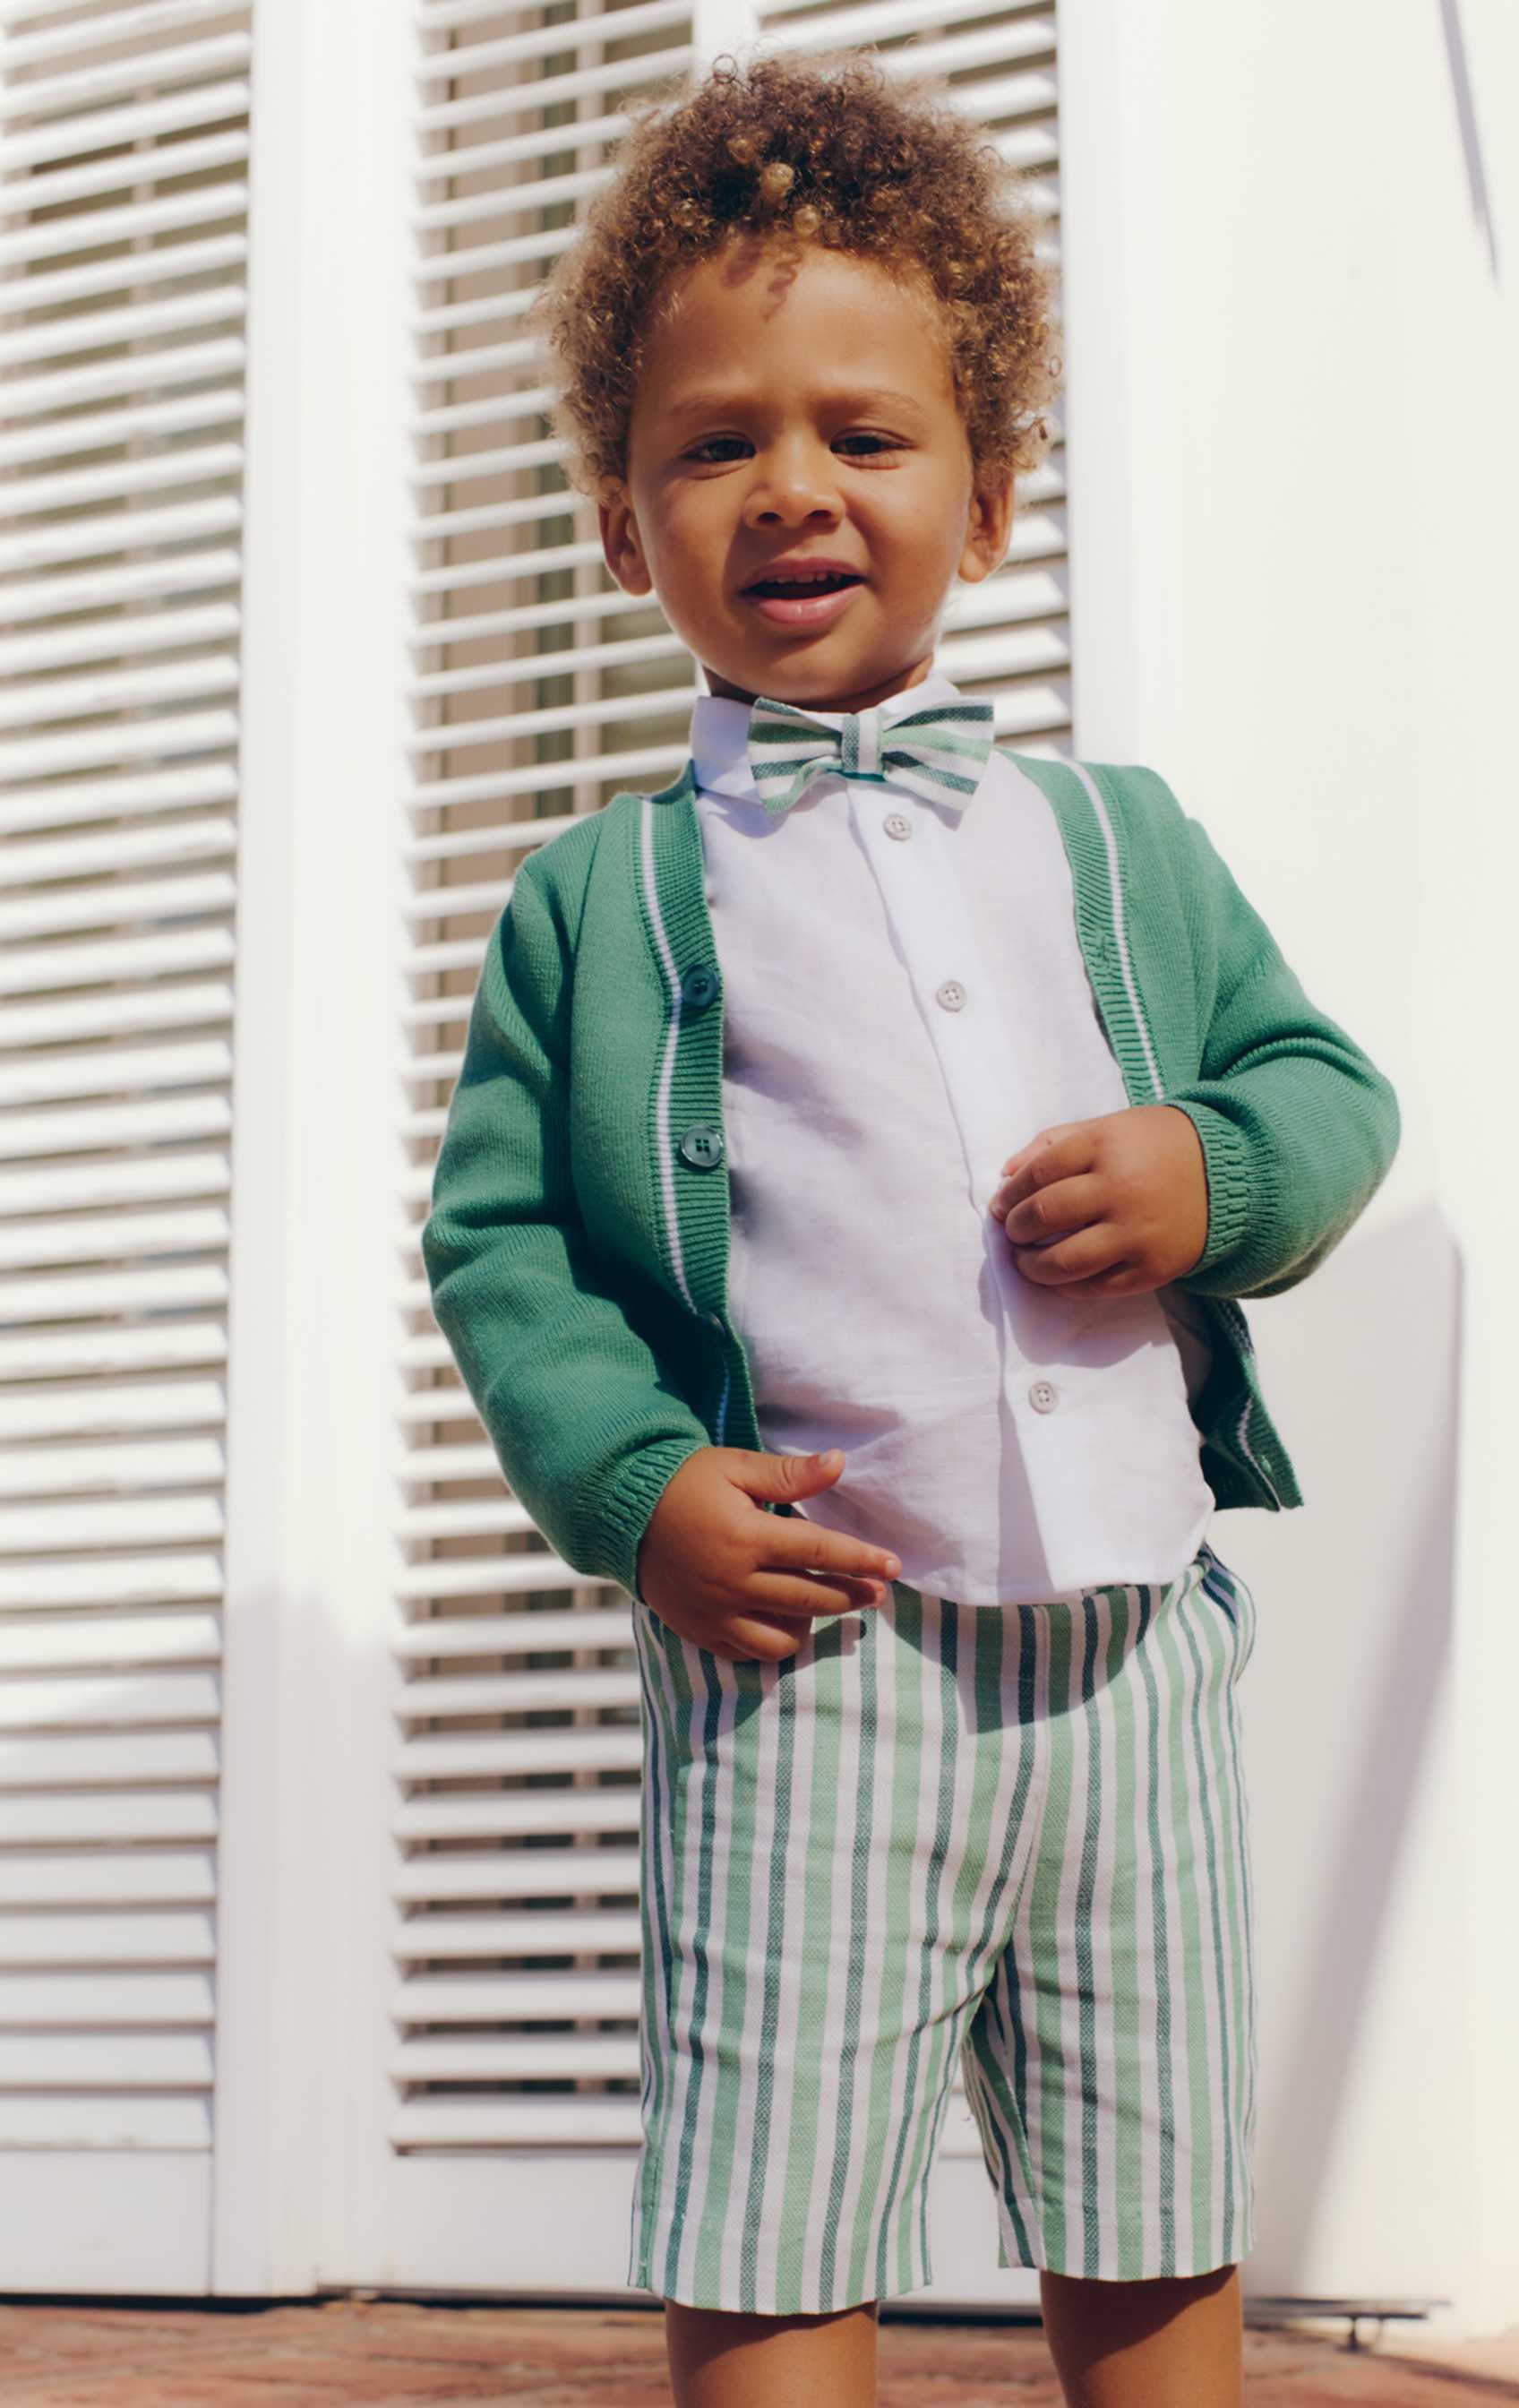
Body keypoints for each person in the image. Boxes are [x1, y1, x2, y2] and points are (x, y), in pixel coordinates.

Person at [421, 45, 1400, 2408]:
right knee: (774, 2222)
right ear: (618, 514)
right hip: (813, 1668)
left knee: (1155, 2206)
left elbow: (1322, 1095)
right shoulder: (607, 892)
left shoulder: (1114, 838)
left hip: (1136, 1650)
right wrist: (638, 1489)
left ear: (990, 497)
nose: (793, 488)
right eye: (713, 441)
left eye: (867, 436)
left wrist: (1212, 1175)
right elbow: (501, 1246)